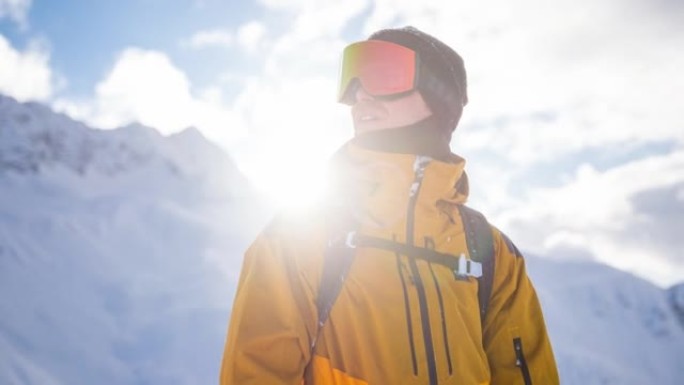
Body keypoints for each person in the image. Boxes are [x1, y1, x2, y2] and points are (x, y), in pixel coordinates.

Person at [220, 26, 559, 385]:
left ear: (437, 97)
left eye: (382, 74)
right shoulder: (300, 235)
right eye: (352, 80)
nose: (360, 94)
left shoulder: (490, 252)